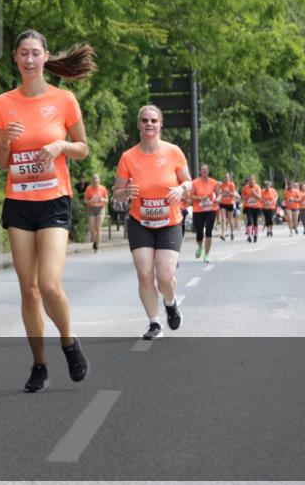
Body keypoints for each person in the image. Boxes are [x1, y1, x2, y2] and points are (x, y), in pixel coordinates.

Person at [0, 29, 94, 392]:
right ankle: (39, 365)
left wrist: (61, 145)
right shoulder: (4, 102)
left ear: (46, 57)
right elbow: (3, 161)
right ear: (15, 59)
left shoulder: (63, 99)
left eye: (36, 53)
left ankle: (68, 342)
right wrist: (5, 140)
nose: (30, 60)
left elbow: (83, 148)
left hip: (53, 200)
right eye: (23, 54)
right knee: (29, 290)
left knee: (49, 284)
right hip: (19, 202)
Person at [113, 104, 191, 341]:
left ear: (160, 125)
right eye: (145, 120)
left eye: (154, 120)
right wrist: (125, 193)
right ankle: (154, 322)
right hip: (140, 222)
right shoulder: (128, 157)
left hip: (169, 222)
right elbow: (116, 192)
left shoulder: (173, 152)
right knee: (145, 274)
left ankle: (170, 302)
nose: (149, 124)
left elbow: (190, 182)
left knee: (165, 276)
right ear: (139, 125)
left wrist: (181, 189)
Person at [191, 164, 220, 262]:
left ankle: (206, 255)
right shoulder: (195, 182)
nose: (204, 173)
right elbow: (191, 196)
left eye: (206, 171)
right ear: (200, 172)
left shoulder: (213, 182)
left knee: (208, 231)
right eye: (203, 171)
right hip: (198, 210)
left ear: (208, 171)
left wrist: (217, 200)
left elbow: (218, 195)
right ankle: (200, 246)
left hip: (211, 209)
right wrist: (200, 198)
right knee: (199, 233)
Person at [84, 174, 108, 252]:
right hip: (91, 209)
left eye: (96, 178)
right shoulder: (88, 189)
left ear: (99, 180)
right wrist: (91, 200)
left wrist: (102, 199)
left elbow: (107, 200)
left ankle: (97, 247)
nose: (95, 180)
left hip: (100, 208)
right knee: (92, 229)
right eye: (94, 178)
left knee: (98, 228)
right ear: (92, 180)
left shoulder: (103, 188)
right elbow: (85, 201)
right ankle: (94, 241)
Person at [241, 175, 262, 243]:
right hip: (248, 206)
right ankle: (249, 236)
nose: (251, 182)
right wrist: (247, 196)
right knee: (249, 220)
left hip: (256, 207)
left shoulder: (257, 187)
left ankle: (255, 235)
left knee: (255, 221)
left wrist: (254, 193)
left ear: (254, 181)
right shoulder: (245, 188)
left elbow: (259, 197)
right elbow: (243, 197)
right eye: (250, 181)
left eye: (252, 181)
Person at [218, 172, 237, 241]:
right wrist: (221, 193)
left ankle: (232, 232)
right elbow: (220, 194)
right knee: (223, 219)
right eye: (225, 177)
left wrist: (228, 191)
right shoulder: (222, 185)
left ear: (229, 178)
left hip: (230, 203)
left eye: (227, 177)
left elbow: (234, 194)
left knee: (230, 219)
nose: (226, 178)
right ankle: (223, 234)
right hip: (223, 203)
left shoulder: (231, 184)